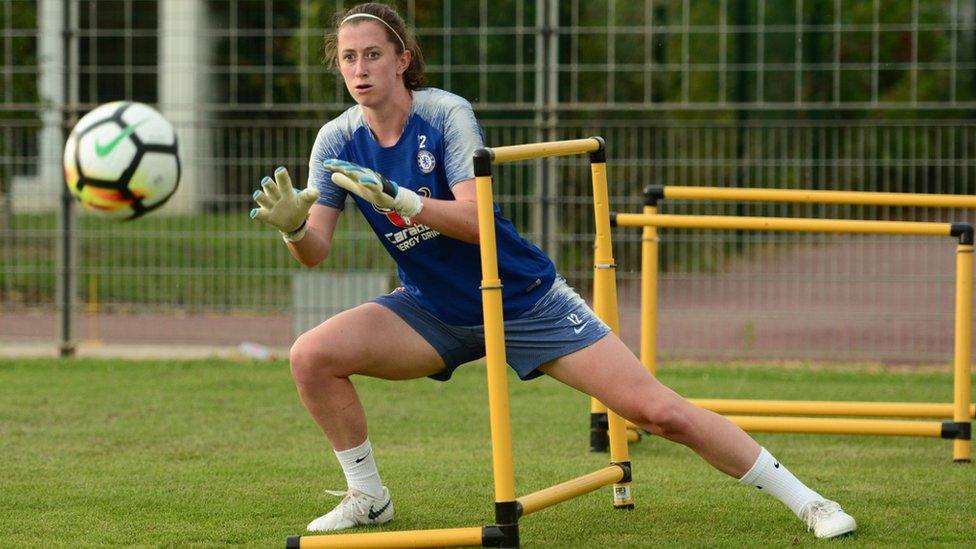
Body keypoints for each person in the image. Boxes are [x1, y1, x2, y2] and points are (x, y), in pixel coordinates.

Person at [249, 2, 857, 540]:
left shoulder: (446, 114)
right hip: (432, 308)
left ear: (403, 60)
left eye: (373, 55)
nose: (359, 69)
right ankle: (369, 497)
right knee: (311, 356)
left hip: (523, 299)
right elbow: (316, 252)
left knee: (657, 413)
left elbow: (475, 220)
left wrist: (401, 199)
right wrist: (294, 227)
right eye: (349, 57)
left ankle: (810, 502)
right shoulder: (334, 140)